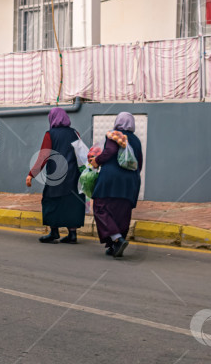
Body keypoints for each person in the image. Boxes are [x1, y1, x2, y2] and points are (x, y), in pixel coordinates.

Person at [26, 108, 85, 243]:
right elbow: (81, 154)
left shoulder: (50, 134)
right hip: (74, 175)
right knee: (72, 202)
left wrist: (31, 174)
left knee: (51, 201)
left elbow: (43, 156)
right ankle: (72, 234)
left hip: (57, 176)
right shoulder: (75, 133)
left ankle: (54, 232)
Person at [90, 112, 143, 258]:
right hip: (130, 181)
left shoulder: (115, 135)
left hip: (111, 179)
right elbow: (139, 163)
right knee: (122, 211)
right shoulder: (136, 140)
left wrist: (97, 161)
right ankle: (115, 246)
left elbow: (110, 151)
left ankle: (117, 239)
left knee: (100, 207)